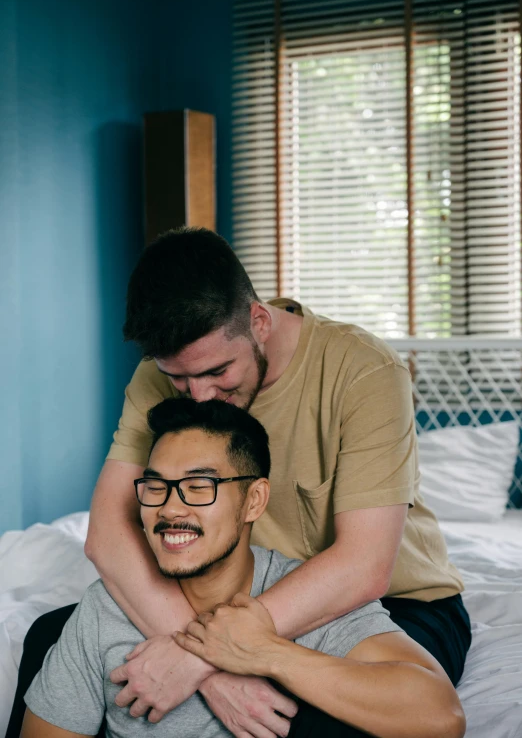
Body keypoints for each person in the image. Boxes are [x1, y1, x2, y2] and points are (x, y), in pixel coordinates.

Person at [8, 227, 471, 738]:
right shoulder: (158, 376)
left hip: (395, 601)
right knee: (53, 638)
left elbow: (363, 566)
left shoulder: (364, 370)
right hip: (230, 590)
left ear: (258, 320)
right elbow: (108, 534)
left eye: (218, 370)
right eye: (179, 379)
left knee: (296, 716)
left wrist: (202, 657)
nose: (199, 396)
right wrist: (212, 661)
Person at [21, 398, 466, 738]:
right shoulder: (107, 607)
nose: (170, 508)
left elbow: (440, 715)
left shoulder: (305, 596)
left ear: (254, 500)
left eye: (199, 487)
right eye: (155, 487)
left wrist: (263, 652)